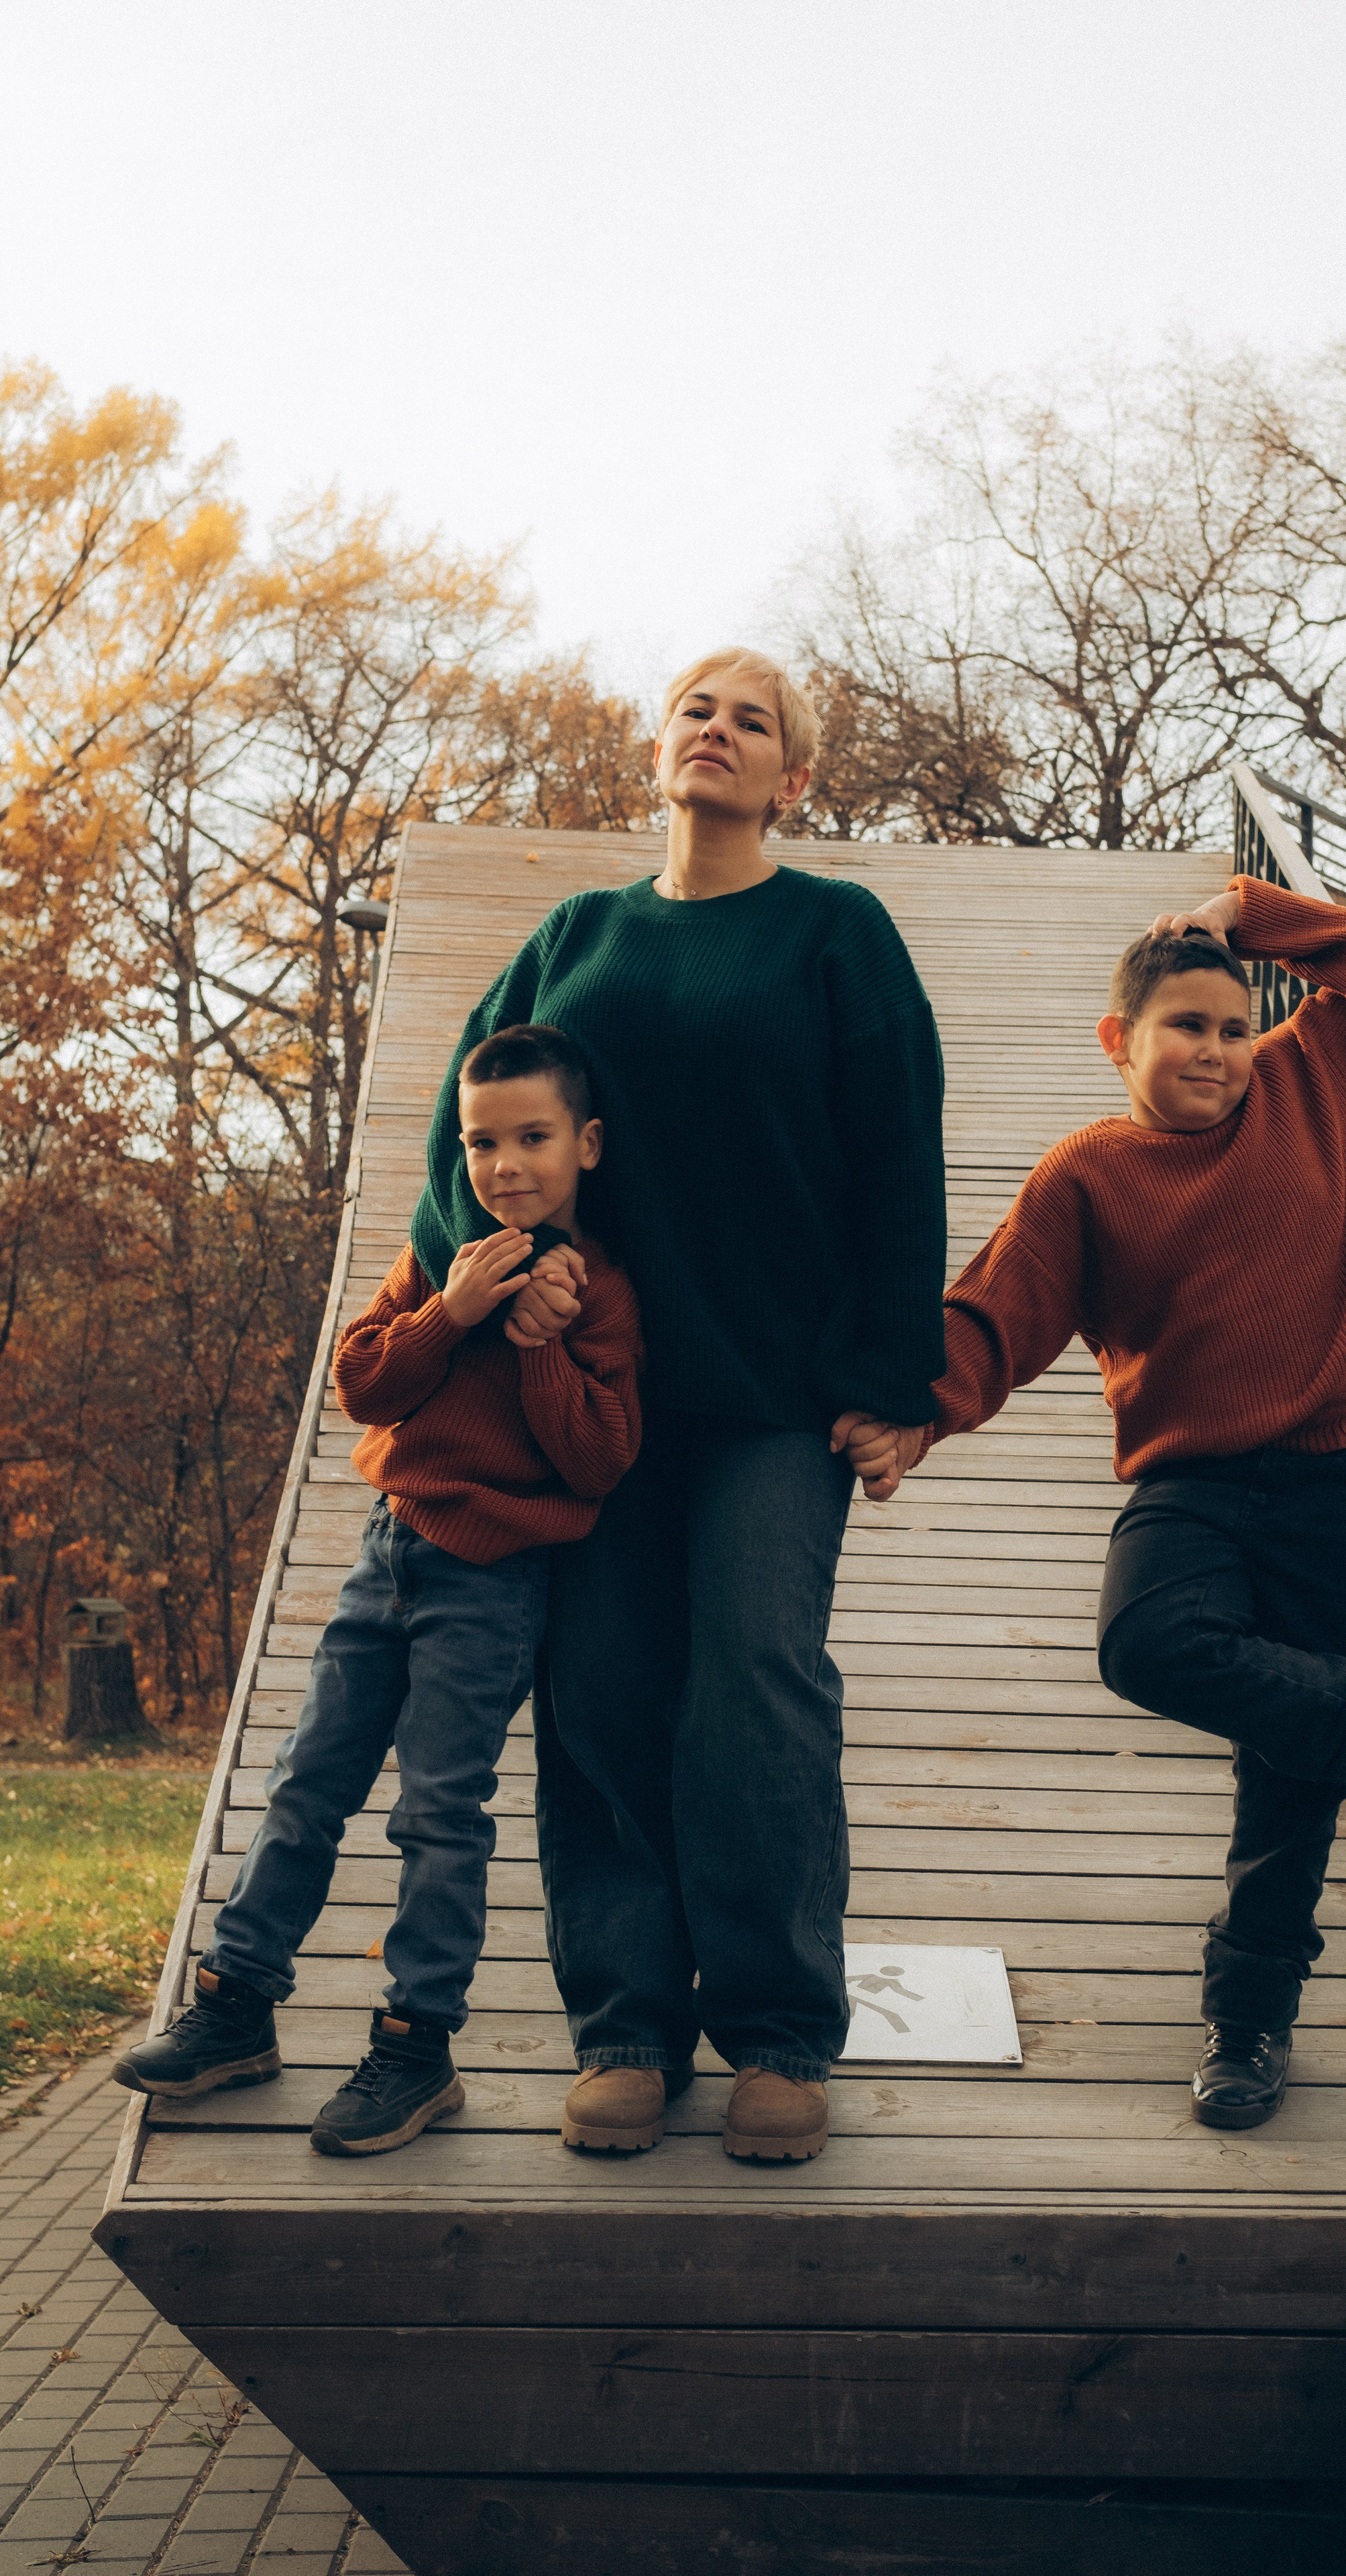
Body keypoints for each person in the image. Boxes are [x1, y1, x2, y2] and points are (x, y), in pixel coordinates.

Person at [409, 650, 946, 2163]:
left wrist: (892, 1381)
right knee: (599, 1688)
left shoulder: (834, 933)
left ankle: (776, 2030)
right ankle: (628, 2025)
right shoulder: (574, 936)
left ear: (793, 777)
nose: (718, 731)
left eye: (752, 720)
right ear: (657, 750)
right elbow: (470, 1133)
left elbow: (899, 1161)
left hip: (771, 1402)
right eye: (696, 709)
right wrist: (471, 1288)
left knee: (756, 1678)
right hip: (586, 1393)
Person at [846, 877, 1346, 2131]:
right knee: (1146, 1641)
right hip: (1190, 1483)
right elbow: (996, 1315)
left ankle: (1248, 2024)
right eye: (1184, 1026)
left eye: (1232, 1023)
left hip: (1343, 1476)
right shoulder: (1090, 1174)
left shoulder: (1320, 1081)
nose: (1216, 1049)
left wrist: (1247, 913)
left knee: (1290, 1774)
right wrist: (916, 1415)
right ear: (1119, 1043)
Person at [114, 1025, 642, 2157]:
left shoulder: (599, 1298)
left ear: (586, 1145)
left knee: (438, 1813)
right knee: (308, 1782)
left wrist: (541, 1347)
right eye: (480, 1142)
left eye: (533, 1138)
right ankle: (237, 2006)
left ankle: (415, 2046)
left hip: (492, 1582)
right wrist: (450, 1312)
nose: (505, 1166)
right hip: (389, 1549)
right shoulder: (443, 1254)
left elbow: (598, 1459)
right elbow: (361, 1385)